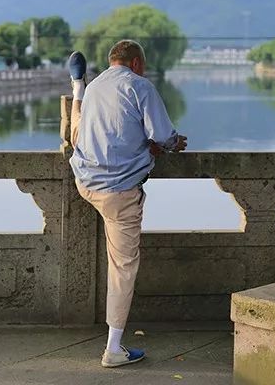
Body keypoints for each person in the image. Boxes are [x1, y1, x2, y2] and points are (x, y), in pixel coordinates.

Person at [67, 41, 187, 368]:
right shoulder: (140, 86)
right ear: (136, 63)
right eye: (142, 66)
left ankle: (74, 87)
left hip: (84, 180)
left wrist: (145, 146)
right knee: (122, 267)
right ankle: (113, 349)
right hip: (118, 192)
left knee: (77, 131)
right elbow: (164, 135)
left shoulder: (97, 87)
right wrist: (173, 143)